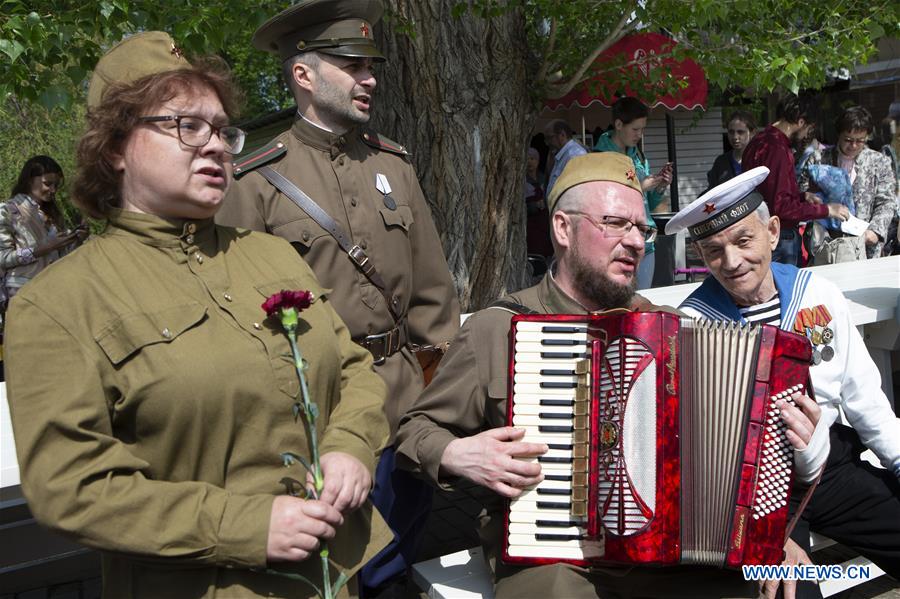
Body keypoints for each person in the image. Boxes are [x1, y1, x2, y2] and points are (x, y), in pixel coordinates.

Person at [5, 31, 391, 598]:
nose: (216, 146)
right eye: (186, 126)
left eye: (220, 130)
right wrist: (243, 527)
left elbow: (353, 368)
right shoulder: (59, 302)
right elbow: (72, 487)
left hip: (336, 575)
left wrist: (350, 447)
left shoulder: (271, 253)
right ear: (115, 146)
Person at [396, 153, 827, 599]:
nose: (636, 242)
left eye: (641, 229)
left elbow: (730, 455)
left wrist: (766, 530)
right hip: (560, 559)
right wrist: (457, 453)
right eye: (616, 223)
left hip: (671, 556)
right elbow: (415, 430)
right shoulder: (495, 328)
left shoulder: (671, 329)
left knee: (791, 588)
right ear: (563, 228)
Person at [214, 1, 461, 594]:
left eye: (370, 65)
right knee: (338, 573)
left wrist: (442, 399)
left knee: (398, 563)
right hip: (317, 416)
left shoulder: (392, 164)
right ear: (304, 74)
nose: (369, 78)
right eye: (352, 65)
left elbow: (433, 291)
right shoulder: (254, 180)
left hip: (405, 405)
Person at [667, 167, 900, 589]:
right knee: (790, 590)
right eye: (713, 250)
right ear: (701, 256)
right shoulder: (691, 324)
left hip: (830, 467)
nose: (732, 261)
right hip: (748, 490)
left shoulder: (819, 294)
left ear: (773, 232)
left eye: (743, 240)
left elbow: (865, 397)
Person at [742, 94, 849, 265]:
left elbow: (767, 194)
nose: (807, 134)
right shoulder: (778, 149)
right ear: (800, 122)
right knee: (786, 290)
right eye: (808, 129)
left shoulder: (759, 141)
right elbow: (782, 208)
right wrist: (827, 210)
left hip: (762, 230)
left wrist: (801, 196)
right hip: (779, 236)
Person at [593, 96, 673, 289]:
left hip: (647, 242)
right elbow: (603, 203)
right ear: (619, 124)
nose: (640, 135)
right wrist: (640, 186)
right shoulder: (599, 157)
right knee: (621, 305)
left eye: (642, 129)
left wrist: (660, 185)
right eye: (635, 129)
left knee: (644, 301)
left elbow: (651, 203)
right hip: (619, 244)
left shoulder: (638, 154)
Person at [799, 106, 898, 258]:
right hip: (826, 242)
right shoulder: (818, 159)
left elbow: (886, 202)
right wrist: (810, 197)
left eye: (860, 141)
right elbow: (802, 192)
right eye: (848, 140)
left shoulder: (879, 162)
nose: (853, 146)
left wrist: (875, 231)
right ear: (839, 135)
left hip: (865, 245)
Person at [0, 156, 86, 305]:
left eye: (56, 185)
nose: (53, 190)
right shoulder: (7, 211)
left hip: (52, 290)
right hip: (22, 292)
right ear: (29, 180)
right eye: (47, 184)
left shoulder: (53, 214)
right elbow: (3, 258)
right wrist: (44, 248)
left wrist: (76, 239)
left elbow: (61, 257)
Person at [706, 110, 756, 189]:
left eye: (740, 132)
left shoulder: (760, 160)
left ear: (752, 133)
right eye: (731, 132)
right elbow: (712, 193)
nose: (735, 137)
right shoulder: (721, 162)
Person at [543, 118, 587, 197]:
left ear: (562, 135)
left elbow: (577, 191)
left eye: (549, 138)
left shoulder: (575, 155)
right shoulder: (562, 155)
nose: (547, 143)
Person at [524, 147, 552, 259]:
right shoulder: (521, 180)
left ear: (538, 161)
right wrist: (534, 206)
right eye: (527, 159)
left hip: (544, 222)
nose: (530, 162)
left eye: (532, 158)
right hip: (530, 223)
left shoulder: (544, 178)